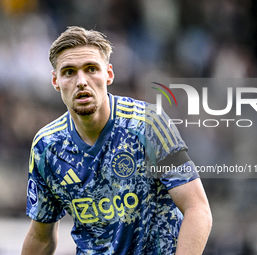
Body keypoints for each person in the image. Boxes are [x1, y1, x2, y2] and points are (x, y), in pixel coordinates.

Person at [21, 26, 212, 255]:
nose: (81, 81)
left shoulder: (148, 124)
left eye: (91, 69)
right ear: (56, 80)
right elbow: (40, 236)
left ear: (109, 74)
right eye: (69, 72)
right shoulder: (48, 147)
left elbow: (197, 208)